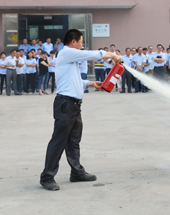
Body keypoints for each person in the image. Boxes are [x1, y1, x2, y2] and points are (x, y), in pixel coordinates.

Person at [40, 29, 121, 191]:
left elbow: (74, 79)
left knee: (74, 140)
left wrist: (90, 83)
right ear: (73, 41)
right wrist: (113, 55)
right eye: (81, 41)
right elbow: (93, 54)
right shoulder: (67, 52)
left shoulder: (70, 58)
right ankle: (47, 177)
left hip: (74, 105)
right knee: (59, 140)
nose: (81, 45)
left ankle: (77, 172)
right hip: (65, 105)